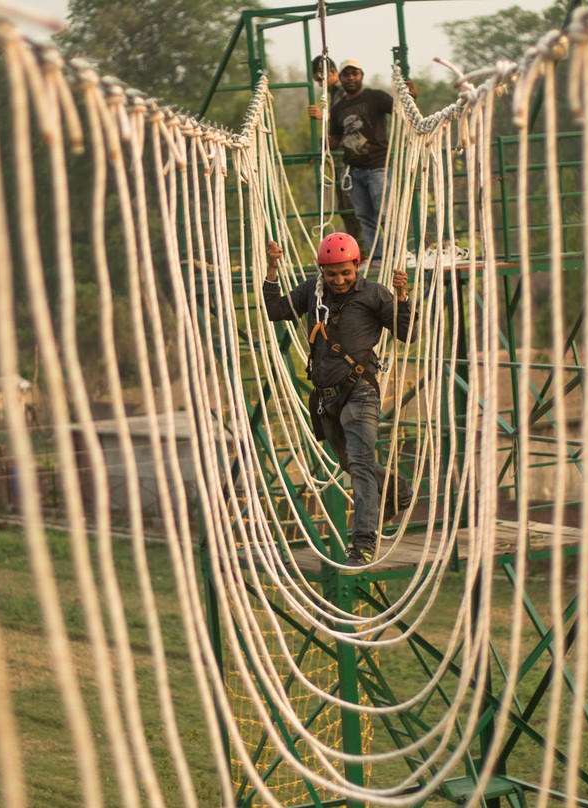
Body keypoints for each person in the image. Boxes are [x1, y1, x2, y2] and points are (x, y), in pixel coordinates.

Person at [263, 233, 416, 566]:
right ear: (322, 271)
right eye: (331, 274)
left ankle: (362, 543)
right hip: (326, 398)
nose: (339, 280)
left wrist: (402, 297)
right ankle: (397, 489)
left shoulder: (373, 295)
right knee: (350, 464)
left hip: (360, 391)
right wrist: (272, 270)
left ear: (356, 266)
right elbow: (275, 310)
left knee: (360, 464)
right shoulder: (311, 292)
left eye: (345, 272)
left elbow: (408, 333)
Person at [328, 59, 417, 267]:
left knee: (385, 212)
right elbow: (334, 140)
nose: (351, 78)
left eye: (354, 74)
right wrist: (324, 134)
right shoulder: (339, 107)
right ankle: (377, 257)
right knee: (364, 216)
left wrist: (411, 96)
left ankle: (396, 255)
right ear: (341, 78)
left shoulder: (375, 97)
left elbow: (401, 109)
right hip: (354, 169)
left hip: (378, 166)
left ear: (361, 75)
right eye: (346, 74)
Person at [308, 55, 364, 246]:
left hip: (352, 156)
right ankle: (361, 251)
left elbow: (350, 115)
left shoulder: (343, 92)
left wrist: (325, 115)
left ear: (331, 72)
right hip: (342, 157)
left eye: (319, 79)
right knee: (344, 206)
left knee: (353, 205)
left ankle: (366, 250)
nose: (318, 84)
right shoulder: (332, 93)